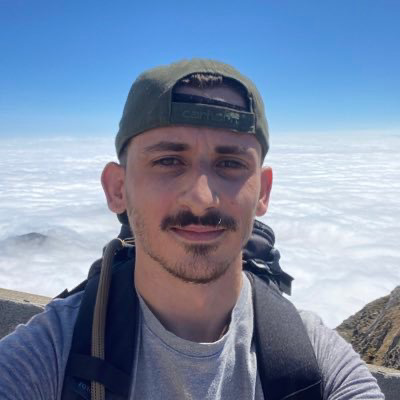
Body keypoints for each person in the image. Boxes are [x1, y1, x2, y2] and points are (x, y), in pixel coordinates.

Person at [0, 59, 384, 400]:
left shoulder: (314, 362)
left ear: (263, 192)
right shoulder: (49, 354)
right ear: (118, 189)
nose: (202, 199)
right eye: (169, 161)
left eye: (230, 164)